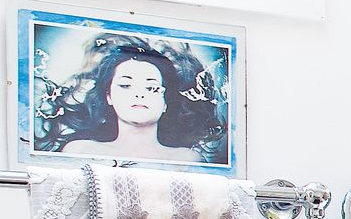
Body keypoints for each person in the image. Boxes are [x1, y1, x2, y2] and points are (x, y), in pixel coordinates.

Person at [47, 35, 224, 164]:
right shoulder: (80, 151)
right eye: (125, 85)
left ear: (165, 102)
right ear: (108, 96)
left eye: (151, 88)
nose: (139, 95)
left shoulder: (188, 159)